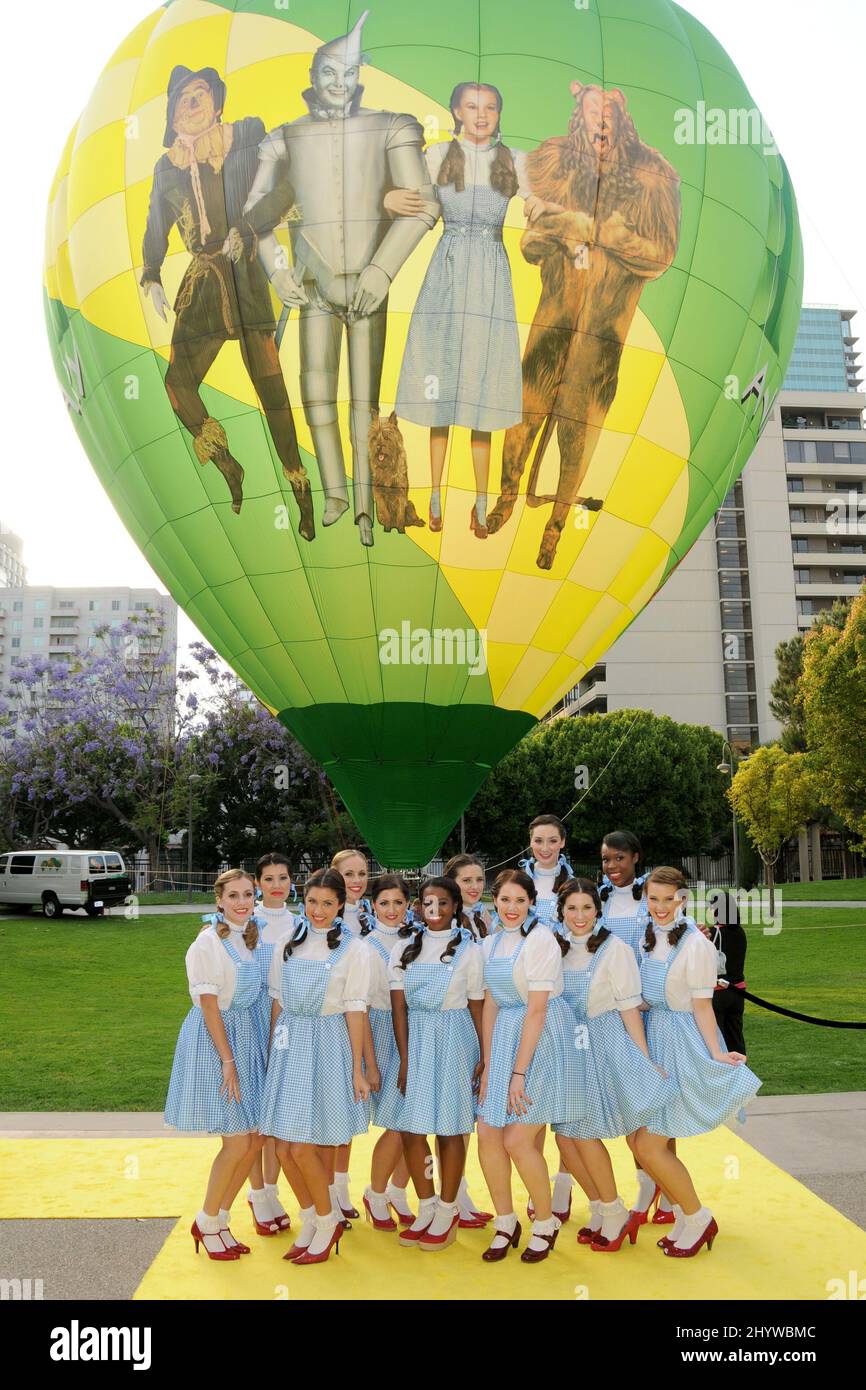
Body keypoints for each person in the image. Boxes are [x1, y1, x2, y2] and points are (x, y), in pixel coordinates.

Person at [243, 10, 440, 546]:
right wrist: (277, 270)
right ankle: (334, 492)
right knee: (316, 395)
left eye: (348, 72)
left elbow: (423, 206)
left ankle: (364, 504)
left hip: (368, 280)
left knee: (364, 405)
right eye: (329, 71)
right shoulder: (283, 140)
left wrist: (382, 269)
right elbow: (255, 214)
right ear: (313, 76)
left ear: (359, 78)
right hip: (311, 281)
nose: (338, 83)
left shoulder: (392, 126)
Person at [140, 66, 313, 534]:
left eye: (201, 94)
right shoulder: (166, 168)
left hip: (246, 270)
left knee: (270, 387)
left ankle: (299, 486)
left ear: (217, 103)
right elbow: (156, 224)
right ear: (173, 114)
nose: (192, 102)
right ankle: (228, 465)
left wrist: (253, 226)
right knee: (177, 385)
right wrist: (151, 273)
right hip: (205, 280)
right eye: (183, 98)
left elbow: (290, 183)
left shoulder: (248, 136)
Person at [392, 82, 529, 536]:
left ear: (499, 113)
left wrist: (545, 209)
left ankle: (481, 500)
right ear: (456, 111)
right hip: (448, 276)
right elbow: (397, 192)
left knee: (481, 391)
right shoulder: (435, 157)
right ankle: (434, 493)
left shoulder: (514, 161)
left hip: (491, 279)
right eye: (472, 107)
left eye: (490, 107)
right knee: (443, 388)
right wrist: (389, 197)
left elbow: (541, 200)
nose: (481, 114)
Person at [630, 867, 761, 1257]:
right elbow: (644, 998)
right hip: (654, 1039)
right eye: (653, 899)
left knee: (649, 1145)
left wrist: (717, 1055)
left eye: (669, 899)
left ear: (683, 899)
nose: (660, 907)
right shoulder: (648, 938)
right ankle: (685, 1217)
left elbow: (703, 1008)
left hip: (681, 1045)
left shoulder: (697, 945)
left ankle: (699, 1217)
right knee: (642, 1141)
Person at [551, 879, 672, 1252]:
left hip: (602, 1046)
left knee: (585, 1132)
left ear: (598, 911)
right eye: (572, 908)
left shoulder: (614, 949)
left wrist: (644, 1059)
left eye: (587, 908)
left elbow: (629, 1008)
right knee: (564, 1135)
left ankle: (615, 1209)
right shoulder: (553, 948)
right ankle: (602, 1208)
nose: (580, 916)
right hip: (567, 1049)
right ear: (561, 912)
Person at [259, 868, 372, 1265]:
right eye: (312, 902)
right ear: (302, 901)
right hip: (291, 1044)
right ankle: (312, 1217)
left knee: (304, 1146)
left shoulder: (355, 951)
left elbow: (357, 1010)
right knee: (286, 1147)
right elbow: (277, 1000)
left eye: (327, 903)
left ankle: (328, 1220)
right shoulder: (288, 943)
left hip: (328, 1045)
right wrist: (274, 1051)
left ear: (341, 904)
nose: (318, 911)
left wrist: (358, 1068)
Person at [476, 870, 581, 1264]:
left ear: (532, 903)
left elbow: (537, 1009)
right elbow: (490, 1004)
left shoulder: (540, 941)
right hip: (505, 1038)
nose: (512, 908)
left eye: (520, 901)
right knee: (488, 1132)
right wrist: (489, 1065)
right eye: (505, 900)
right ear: (495, 902)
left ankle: (545, 1220)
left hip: (542, 1041)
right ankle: (506, 1221)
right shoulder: (489, 944)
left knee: (518, 1140)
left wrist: (517, 1074)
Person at [376, 878, 485, 1251]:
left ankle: (448, 1207)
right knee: (411, 1128)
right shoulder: (405, 947)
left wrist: (485, 1056)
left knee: (450, 1130)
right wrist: (405, 1059)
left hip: (454, 1040)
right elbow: (399, 1008)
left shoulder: (471, 951)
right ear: (418, 907)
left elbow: (476, 1007)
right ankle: (426, 1203)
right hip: (415, 1042)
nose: (434, 910)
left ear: (456, 906)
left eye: (442, 902)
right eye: (427, 903)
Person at [165, 869, 268, 1260]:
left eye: (248, 895)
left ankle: (219, 1219)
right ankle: (206, 1219)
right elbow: (209, 1007)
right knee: (238, 1139)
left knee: (255, 1138)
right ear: (219, 901)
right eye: (235, 896)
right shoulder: (207, 943)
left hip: (246, 1036)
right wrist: (228, 1060)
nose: (243, 902)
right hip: (217, 1042)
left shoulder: (248, 938)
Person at [358, 874, 416, 1231]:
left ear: (408, 904)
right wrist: (372, 1064)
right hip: (382, 1033)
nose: (392, 910)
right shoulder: (365, 947)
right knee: (397, 1122)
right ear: (372, 906)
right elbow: (360, 1007)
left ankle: (398, 1191)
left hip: (413, 1033)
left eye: (398, 902)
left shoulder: (416, 940)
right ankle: (374, 1193)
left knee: (415, 1122)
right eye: (384, 903)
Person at [246, 853, 296, 1236]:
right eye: (268, 878)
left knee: (276, 1112)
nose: (276, 884)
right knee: (252, 1117)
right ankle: (256, 1193)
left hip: (286, 1021)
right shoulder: (247, 922)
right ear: (258, 883)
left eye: (282, 877)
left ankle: (272, 1191)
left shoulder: (300, 922)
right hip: (251, 1017)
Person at [329, 848, 375, 1217]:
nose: (357, 881)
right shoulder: (321, 916)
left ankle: (343, 1186)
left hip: (371, 1017)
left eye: (362, 873)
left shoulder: (375, 916)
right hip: (337, 1021)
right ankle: (328, 1191)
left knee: (351, 1110)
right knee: (332, 1109)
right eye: (349, 874)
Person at [705, 890, 748, 1054]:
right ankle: (742, 1074)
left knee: (718, 1041)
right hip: (739, 991)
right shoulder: (740, 932)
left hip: (719, 991)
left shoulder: (713, 933)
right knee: (736, 1037)